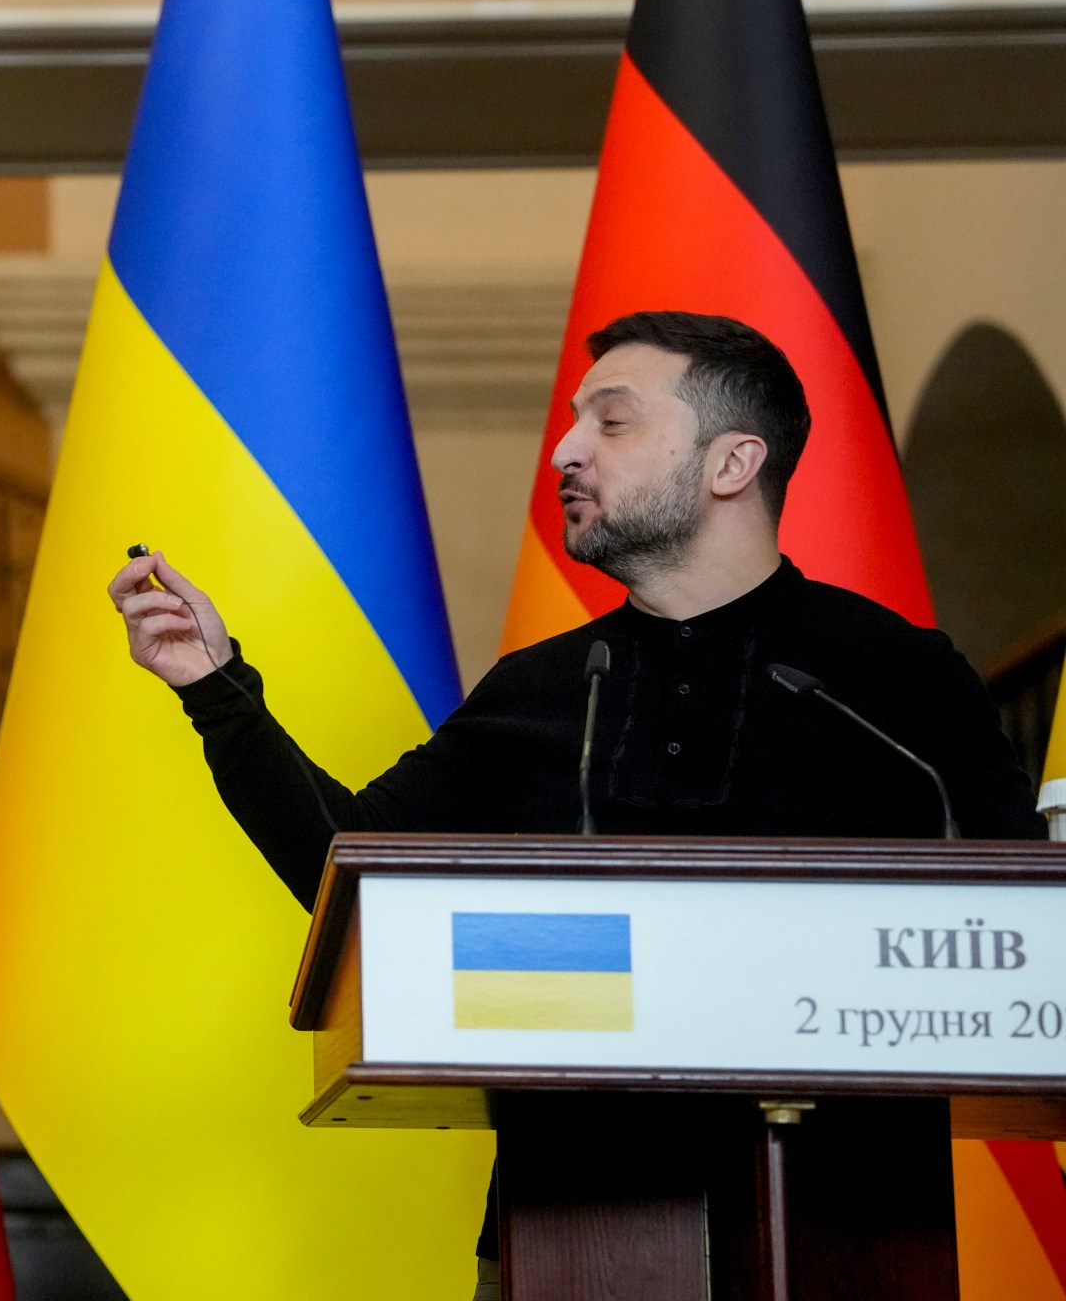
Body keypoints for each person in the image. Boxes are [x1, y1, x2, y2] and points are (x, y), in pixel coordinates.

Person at [109, 310, 1040, 1299]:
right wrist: (216, 691)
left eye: (612, 422)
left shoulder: (893, 683)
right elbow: (348, 871)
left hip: (854, 1222)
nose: (564, 450)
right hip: (562, 1221)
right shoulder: (545, 685)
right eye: (571, 423)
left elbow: (1026, 936)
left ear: (732, 464)